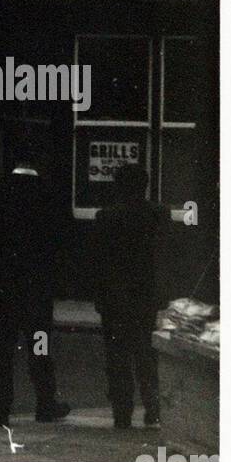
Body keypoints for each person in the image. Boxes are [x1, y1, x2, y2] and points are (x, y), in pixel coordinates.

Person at [0, 153, 71, 426]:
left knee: (1, 350)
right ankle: (45, 403)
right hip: (37, 287)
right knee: (39, 345)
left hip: (1, 283)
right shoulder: (50, 194)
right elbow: (64, 239)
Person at [92, 164, 172, 430]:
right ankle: (153, 410)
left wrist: (100, 298)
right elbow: (164, 257)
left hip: (116, 299)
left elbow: (99, 262)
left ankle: (122, 414)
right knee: (147, 358)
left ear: (118, 186)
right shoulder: (159, 214)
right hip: (147, 297)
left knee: (117, 360)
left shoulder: (106, 216)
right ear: (145, 185)